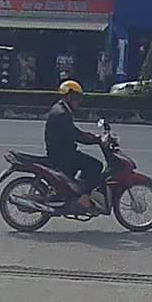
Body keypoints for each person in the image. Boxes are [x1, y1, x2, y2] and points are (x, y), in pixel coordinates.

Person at [45, 80, 103, 210]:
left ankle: (76, 193)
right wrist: (95, 139)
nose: (79, 102)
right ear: (69, 96)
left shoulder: (61, 109)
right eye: (76, 98)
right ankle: (84, 197)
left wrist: (93, 137)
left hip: (62, 152)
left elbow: (74, 132)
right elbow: (75, 135)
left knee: (84, 166)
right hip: (62, 155)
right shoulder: (61, 113)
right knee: (95, 165)